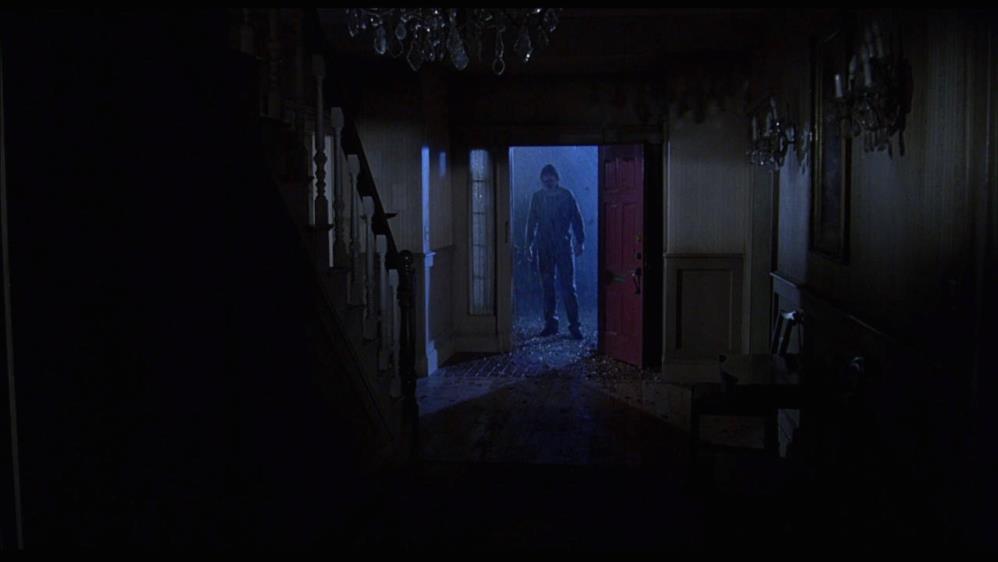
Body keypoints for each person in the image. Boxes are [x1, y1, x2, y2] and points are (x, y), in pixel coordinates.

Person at [526, 164, 585, 340]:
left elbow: (576, 218)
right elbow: (531, 222)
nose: (548, 182)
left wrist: (580, 241)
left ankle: (573, 325)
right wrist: (529, 244)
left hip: (562, 246)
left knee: (568, 287)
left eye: (550, 179)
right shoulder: (538, 197)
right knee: (548, 287)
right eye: (546, 180)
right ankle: (552, 324)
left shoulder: (566, 196)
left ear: (556, 179)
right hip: (545, 246)